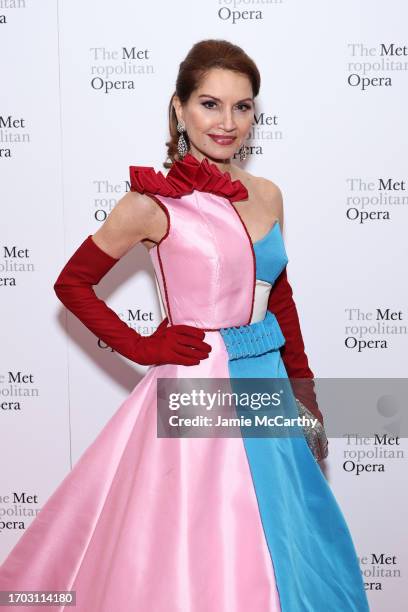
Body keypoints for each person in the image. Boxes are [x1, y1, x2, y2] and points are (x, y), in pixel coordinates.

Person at [0, 39, 369, 612]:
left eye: (242, 107)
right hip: (201, 387)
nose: (227, 122)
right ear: (179, 108)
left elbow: (281, 297)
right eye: (209, 104)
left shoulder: (268, 195)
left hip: (266, 382)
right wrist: (147, 346)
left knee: (290, 538)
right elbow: (71, 283)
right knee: (212, 544)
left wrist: (304, 388)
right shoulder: (151, 204)